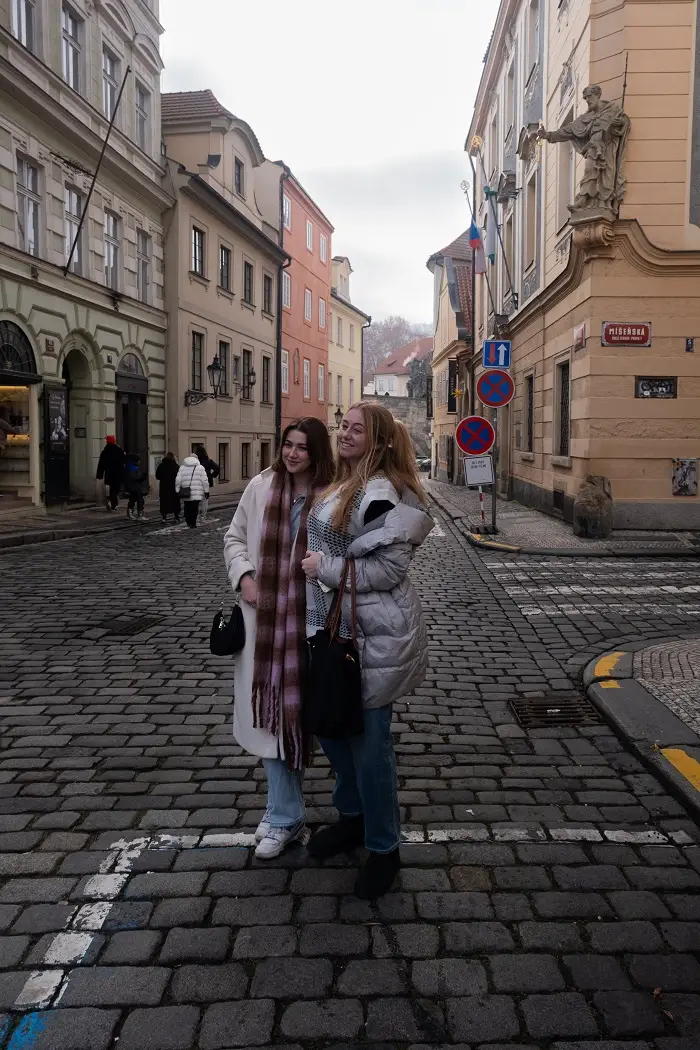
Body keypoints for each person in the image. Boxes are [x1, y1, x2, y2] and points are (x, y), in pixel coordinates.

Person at [301, 403, 433, 899]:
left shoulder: (376, 493)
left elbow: (391, 569)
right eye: (344, 427)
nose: (345, 434)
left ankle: (383, 848)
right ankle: (353, 819)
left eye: (357, 429)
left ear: (377, 441)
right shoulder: (345, 481)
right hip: (333, 628)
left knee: (370, 747)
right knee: (334, 732)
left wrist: (325, 570)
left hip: (371, 636)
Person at [223, 418, 334, 859]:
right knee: (274, 716)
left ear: (317, 452)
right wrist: (245, 576)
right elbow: (233, 537)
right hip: (266, 627)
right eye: (287, 445)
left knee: (302, 716)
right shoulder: (262, 486)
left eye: (302, 448)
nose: (292, 454)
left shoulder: (332, 494)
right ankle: (284, 813)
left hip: (313, 625)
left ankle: (284, 810)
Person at [175, 453, 209, 527]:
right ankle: (193, 523)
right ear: (196, 459)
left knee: (187, 506)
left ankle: (188, 521)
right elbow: (205, 481)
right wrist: (206, 491)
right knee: (194, 507)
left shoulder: (182, 467)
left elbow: (178, 480)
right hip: (197, 492)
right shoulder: (201, 468)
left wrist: (177, 490)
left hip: (186, 491)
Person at [96, 435, 126, 512]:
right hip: (117, 473)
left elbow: (101, 464)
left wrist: (100, 474)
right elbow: (124, 460)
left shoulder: (105, 451)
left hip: (109, 473)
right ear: (114, 441)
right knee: (116, 489)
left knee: (112, 489)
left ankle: (113, 503)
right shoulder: (118, 450)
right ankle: (112, 503)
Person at [196, 445, 220, 522]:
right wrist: (212, 475)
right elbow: (217, 468)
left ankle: (196, 516)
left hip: (197, 482)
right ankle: (203, 516)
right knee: (205, 500)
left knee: (196, 500)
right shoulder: (208, 461)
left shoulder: (196, 462)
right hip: (206, 482)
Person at [155, 452, 181, 523]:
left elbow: (157, 476)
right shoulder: (176, 466)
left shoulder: (161, 465)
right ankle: (176, 517)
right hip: (174, 487)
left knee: (164, 502)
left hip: (164, 487)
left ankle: (164, 517)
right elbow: (179, 477)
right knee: (175, 502)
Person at [124, 453, 148, 520]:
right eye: (139, 460)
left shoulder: (129, 466)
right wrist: (143, 476)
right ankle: (139, 515)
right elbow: (134, 478)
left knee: (132, 499)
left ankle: (130, 514)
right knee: (140, 500)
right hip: (135, 486)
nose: (139, 461)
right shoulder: (132, 467)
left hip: (132, 486)